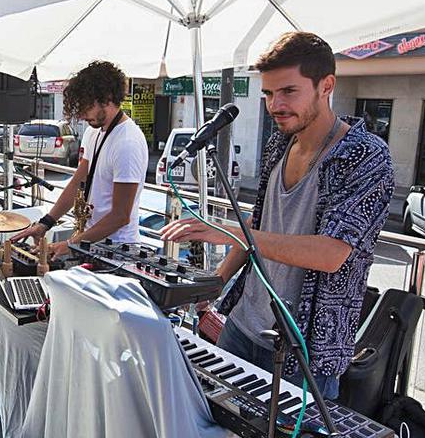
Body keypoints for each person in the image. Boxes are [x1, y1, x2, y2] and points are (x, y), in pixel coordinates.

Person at [160, 32, 395, 400]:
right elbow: (259, 222)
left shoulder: (367, 156)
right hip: (242, 327)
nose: (275, 104)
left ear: (326, 86)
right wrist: (217, 281)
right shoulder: (279, 143)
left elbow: (331, 254)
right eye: (268, 93)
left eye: (288, 91)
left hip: (306, 352)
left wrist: (228, 232)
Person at [10, 61, 148, 258]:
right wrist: (45, 223)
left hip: (118, 252)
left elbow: (120, 216)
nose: (82, 115)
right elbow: (78, 182)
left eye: (86, 106)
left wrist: (68, 244)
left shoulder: (128, 142)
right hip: (90, 243)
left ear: (108, 98)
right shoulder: (94, 132)